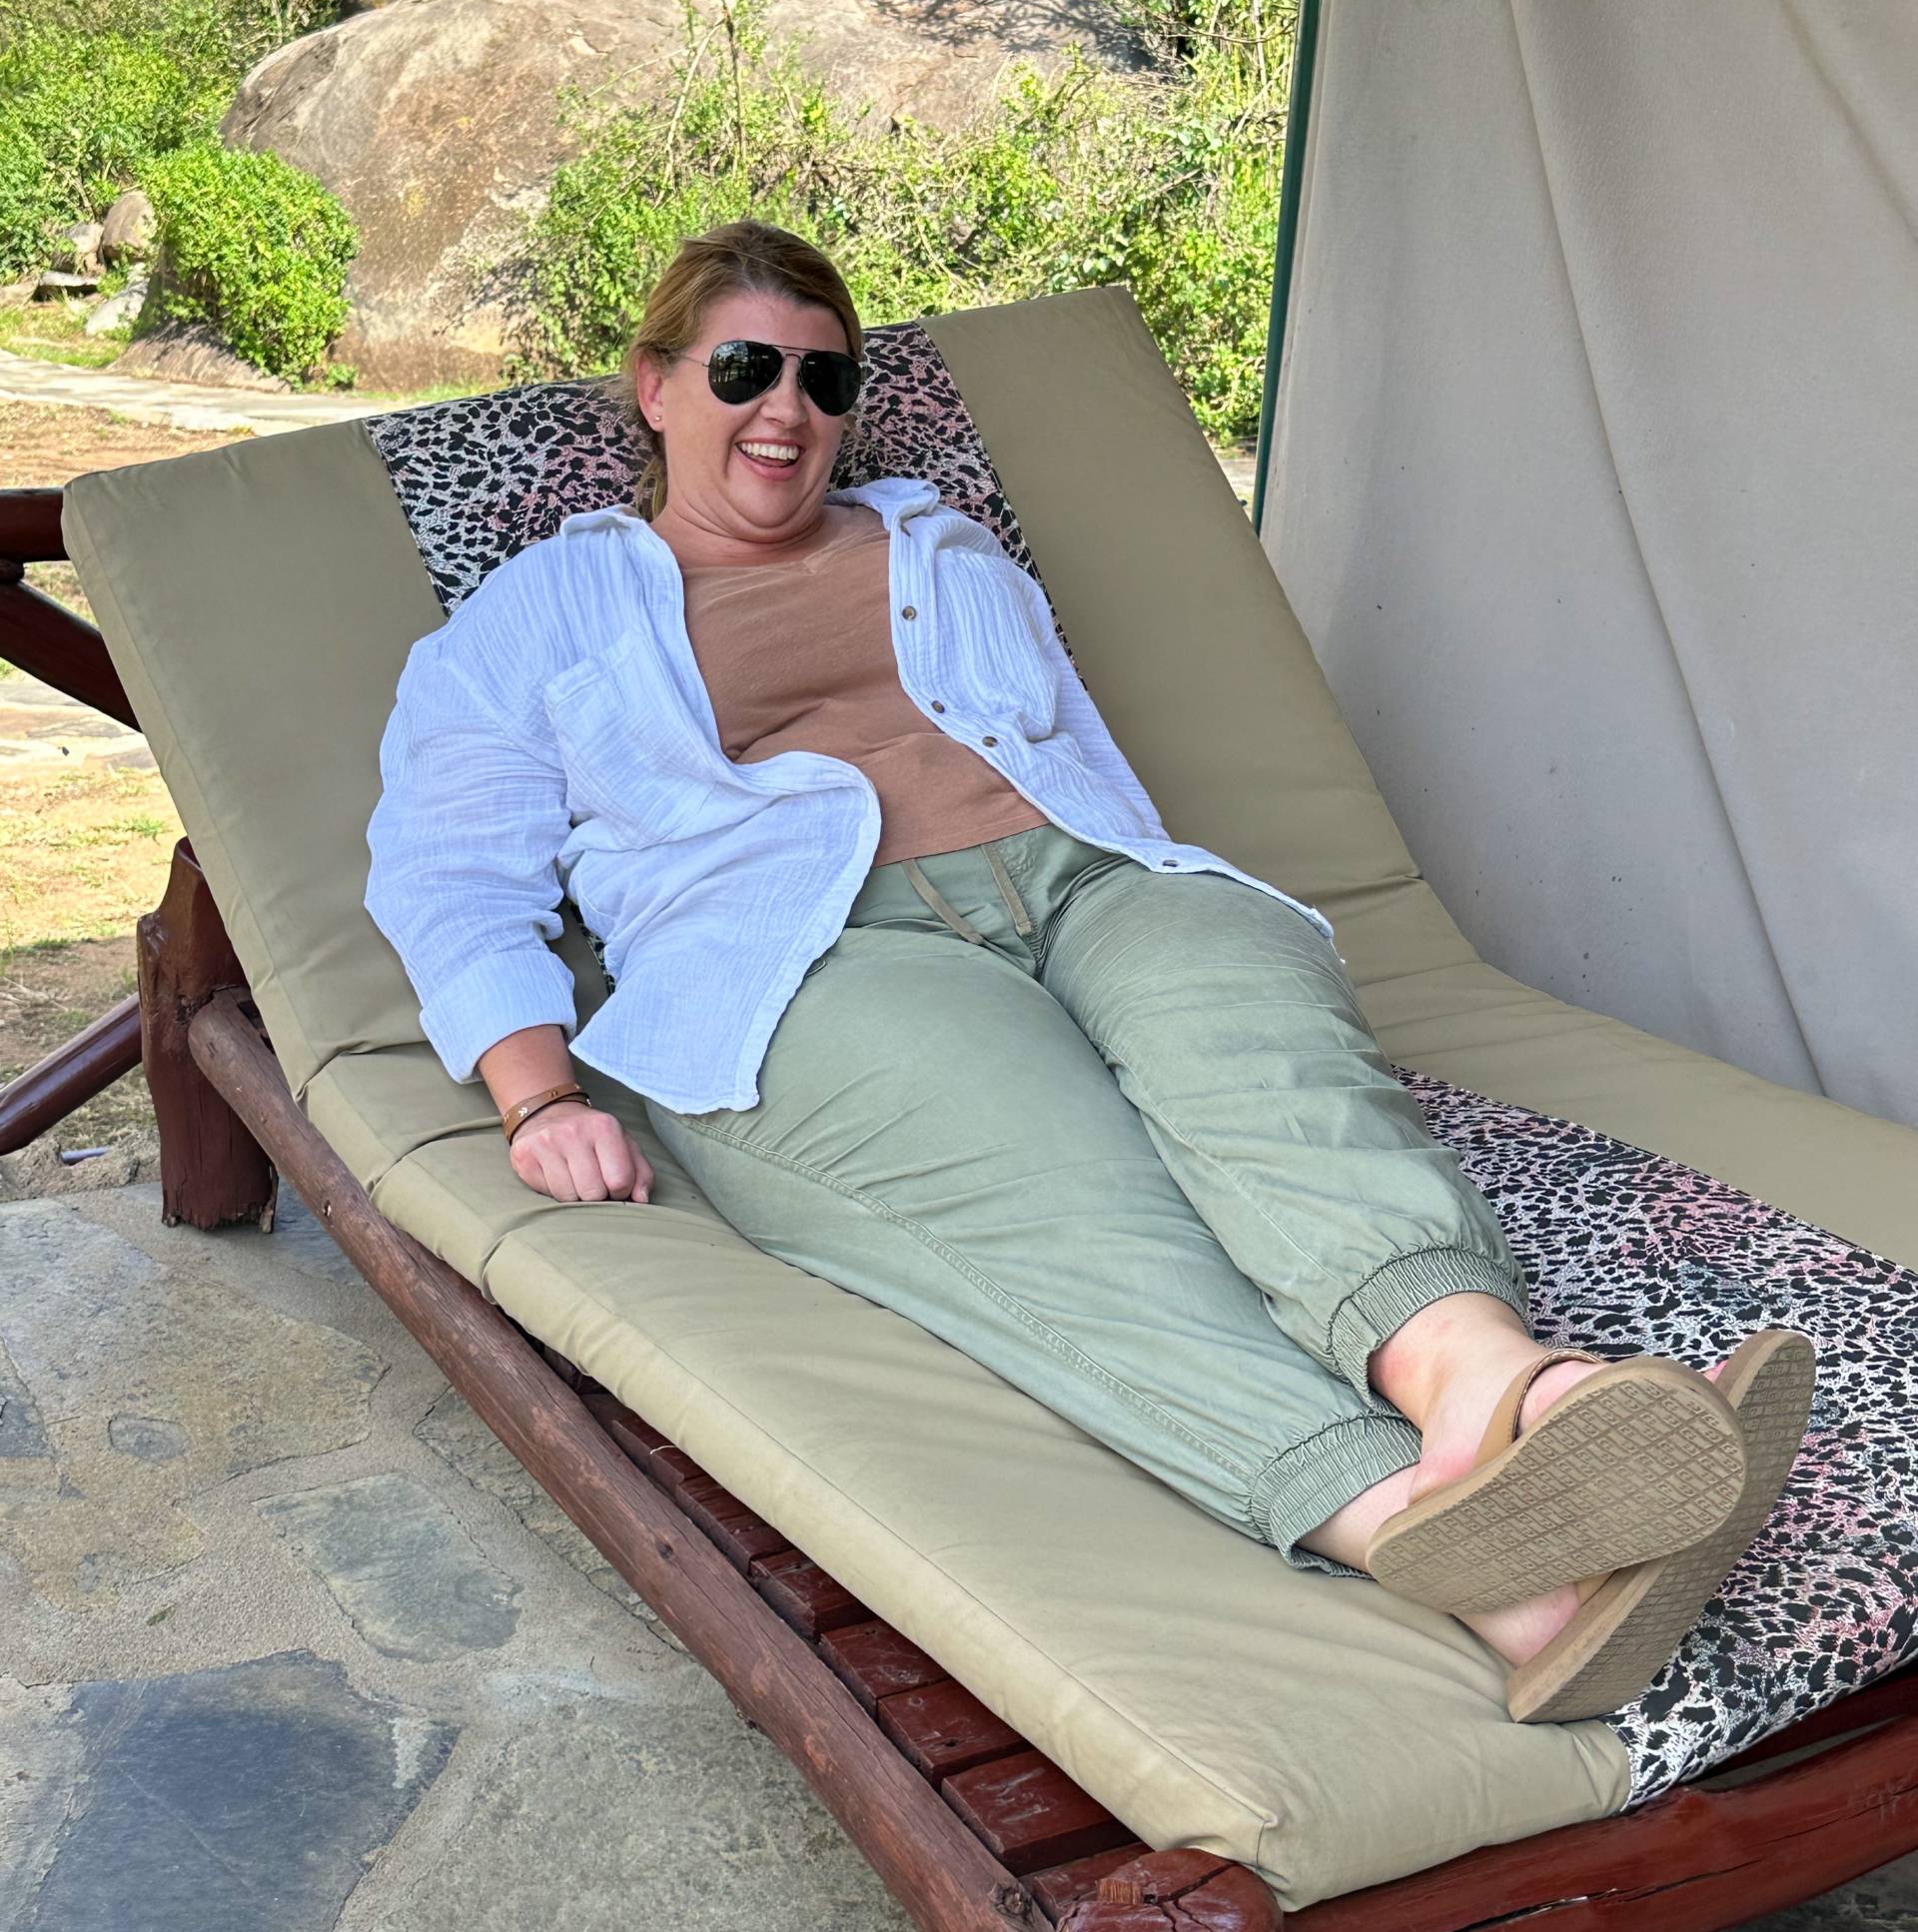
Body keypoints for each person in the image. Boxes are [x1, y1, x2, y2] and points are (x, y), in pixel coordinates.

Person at [366, 218, 1812, 1725]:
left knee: (1260, 1059)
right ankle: (1454, 1549)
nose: (786, 409)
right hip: (813, 956)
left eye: (822, 377)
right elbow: (449, 867)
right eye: (743, 370)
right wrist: (537, 1095)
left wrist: (1140, 933)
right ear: (657, 385)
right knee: (1077, 1201)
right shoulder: (544, 611)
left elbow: (1077, 757)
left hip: (1091, 884)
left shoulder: (942, 546)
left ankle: (1497, 1386)